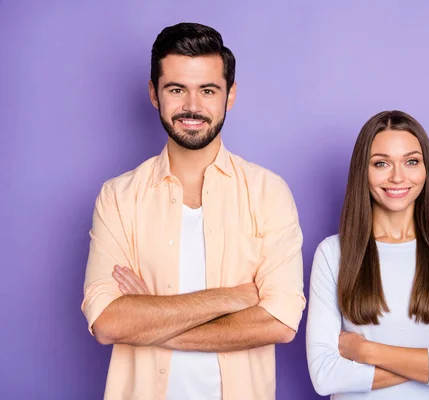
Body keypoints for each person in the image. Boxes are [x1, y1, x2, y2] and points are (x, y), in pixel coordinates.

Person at [81, 22, 305, 400]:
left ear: (229, 95)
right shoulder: (118, 197)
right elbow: (108, 323)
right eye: (176, 89)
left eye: (208, 90)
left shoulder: (269, 193)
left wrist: (151, 318)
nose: (192, 106)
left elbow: (280, 322)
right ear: (154, 93)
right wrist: (232, 297)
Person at [306, 110, 429, 399]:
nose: (397, 177)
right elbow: (325, 376)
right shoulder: (333, 254)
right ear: (362, 171)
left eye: (411, 161)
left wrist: (367, 351)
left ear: (426, 169)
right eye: (381, 163)